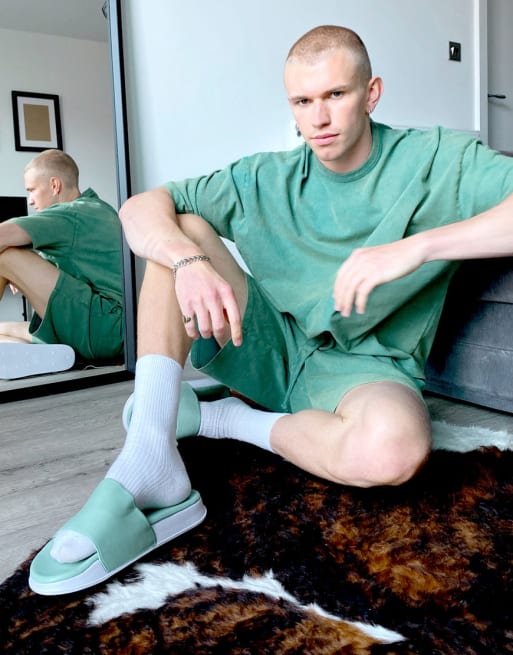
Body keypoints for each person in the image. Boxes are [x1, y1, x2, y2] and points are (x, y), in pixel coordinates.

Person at [29, 25, 513, 595]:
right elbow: (140, 207)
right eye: (302, 102)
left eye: (335, 95)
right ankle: (149, 458)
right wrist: (187, 260)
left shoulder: (436, 159)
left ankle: (222, 419)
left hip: (368, 369)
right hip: (268, 344)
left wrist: (420, 246)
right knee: (178, 227)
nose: (318, 118)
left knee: (394, 451)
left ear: (372, 93)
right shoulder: (264, 177)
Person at [0, 149, 124, 379]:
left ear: (55, 185)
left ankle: (52, 354)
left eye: (32, 190)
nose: (30, 200)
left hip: (103, 325)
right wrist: (18, 274)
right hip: (108, 329)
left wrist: (12, 267)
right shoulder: (95, 209)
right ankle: (50, 357)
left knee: (5, 256)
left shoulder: (73, 213)